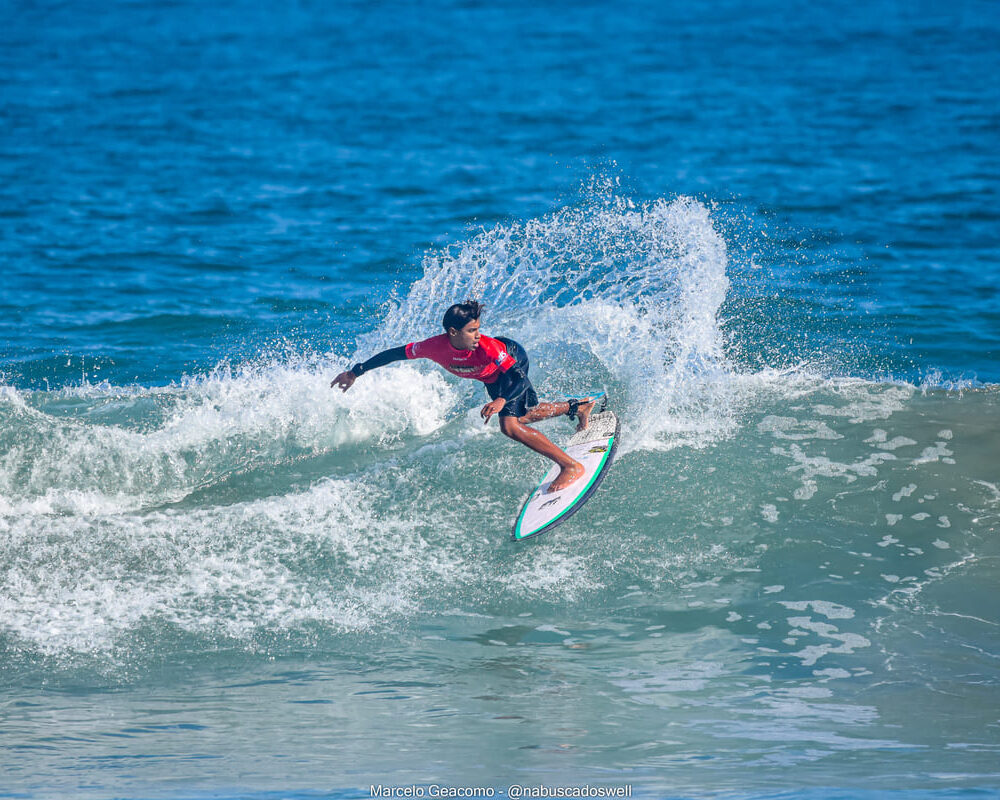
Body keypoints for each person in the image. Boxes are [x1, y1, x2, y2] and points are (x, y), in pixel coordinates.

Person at [331, 300, 599, 492]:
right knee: (525, 417)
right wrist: (356, 372)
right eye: (472, 330)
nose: (478, 334)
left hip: (512, 363)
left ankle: (570, 467)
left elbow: (520, 378)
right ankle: (579, 407)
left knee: (510, 425)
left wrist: (501, 400)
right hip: (491, 378)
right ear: (453, 333)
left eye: (479, 328)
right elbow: (394, 354)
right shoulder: (432, 347)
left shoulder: (489, 347)